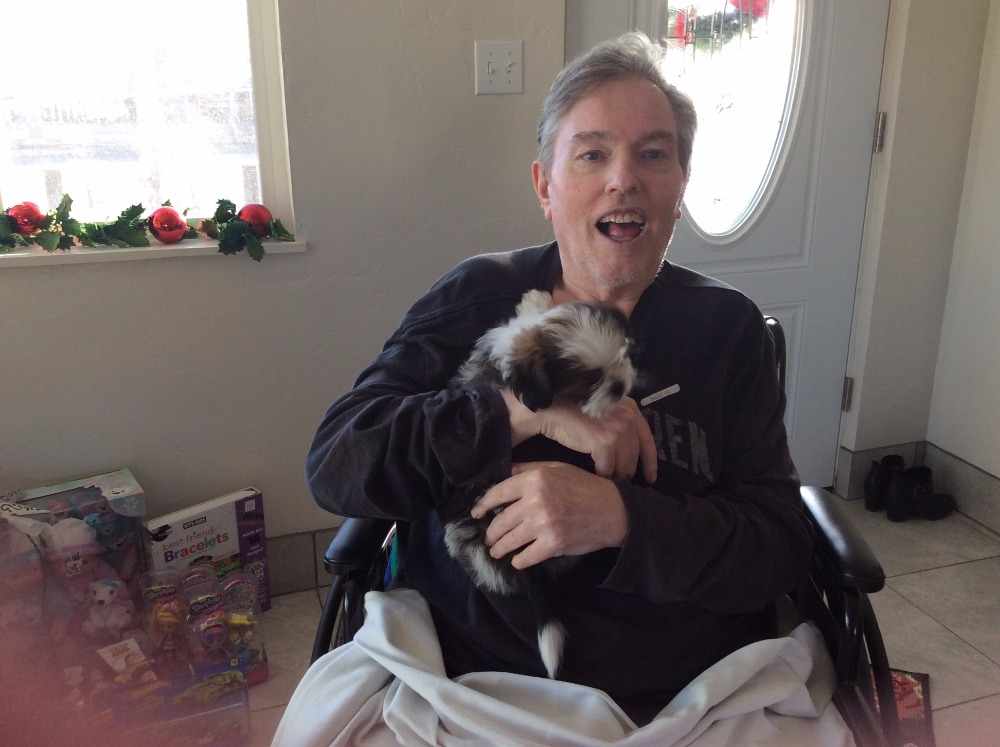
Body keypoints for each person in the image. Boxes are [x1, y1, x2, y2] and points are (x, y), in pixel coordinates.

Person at [276, 32, 841, 746]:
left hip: (694, 693)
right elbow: (338, 462)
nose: (623, 180)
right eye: (593, 154)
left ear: (680, 186)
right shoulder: (476, 297)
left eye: (654, 154)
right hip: (468, 683)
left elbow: (777, 545)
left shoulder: (727, 330)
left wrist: (621, 518)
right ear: (546, 185)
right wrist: (516, 412)